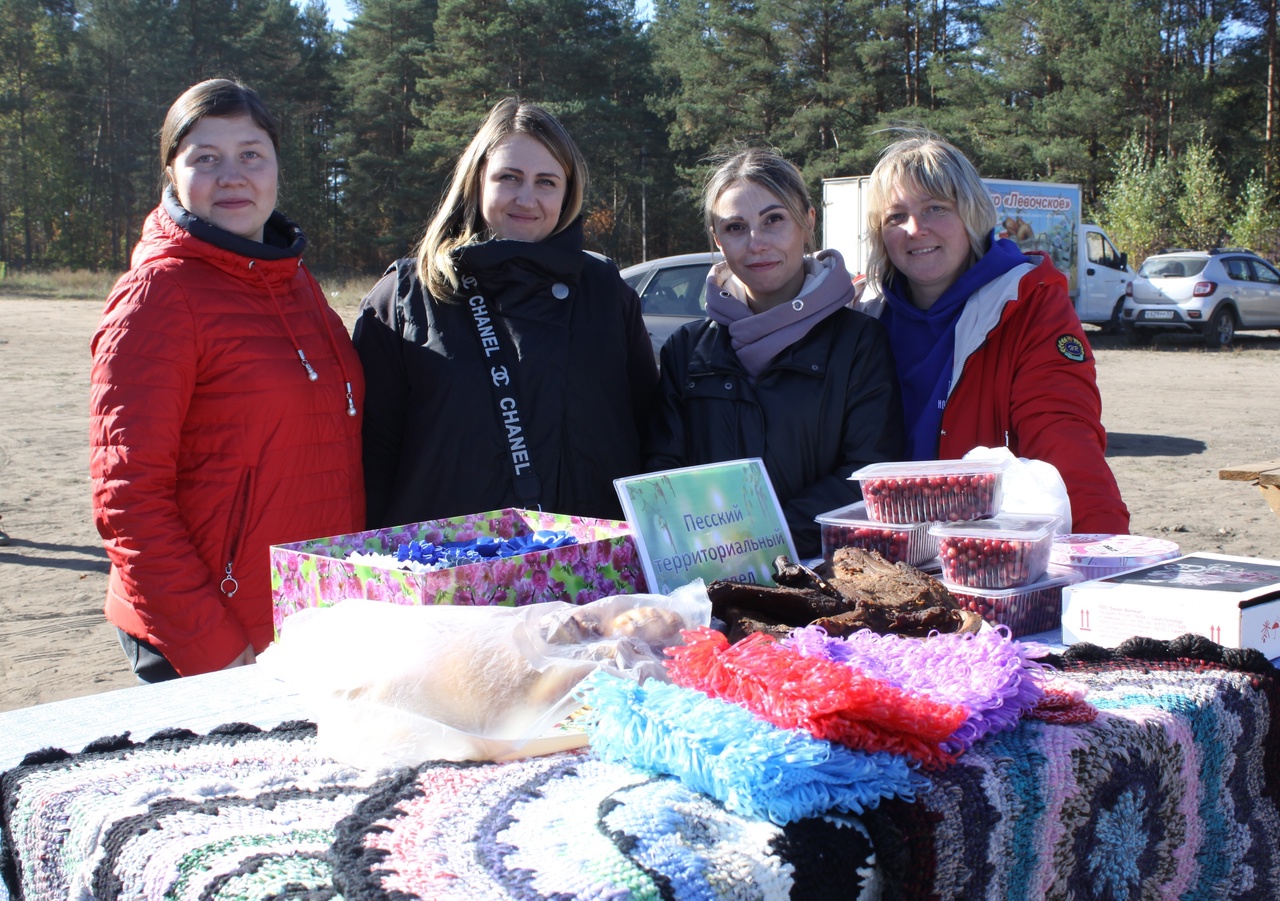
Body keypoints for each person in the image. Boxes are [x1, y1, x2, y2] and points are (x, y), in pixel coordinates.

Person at [90, 79, 365, 682]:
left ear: (276, 168)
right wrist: (214, 652)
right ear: (173, 173)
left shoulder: (293, 281)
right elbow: (129, 499)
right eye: (205, 158)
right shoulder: (158, 295)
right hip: (209, 643)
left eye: (250, 154)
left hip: (304, 626)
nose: (232, 175)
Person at [353, 97, 657, 528]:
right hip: (451, 573)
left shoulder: (606, 292)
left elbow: (649, 435)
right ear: (477, 182)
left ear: (568, 192)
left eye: (547, 182)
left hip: (590, 574)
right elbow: (371, 459)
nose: (526, 198)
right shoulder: (406, 296)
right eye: (509, 178)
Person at [859, 130, 1129, 533]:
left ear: (971, 215)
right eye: (896, 216)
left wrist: (1103, 555)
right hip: (880, 545)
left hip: (986, 551)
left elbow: (1064, 440)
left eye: (936, 208)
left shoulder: (1027, 303)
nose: (915, 228)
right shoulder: (861, 312)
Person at [646, 147, 905, 557]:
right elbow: (664, 475)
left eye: (774, 220)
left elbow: (866, 473)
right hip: (711, 575)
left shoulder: (859, 342)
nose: (756, 244)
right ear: (717, 239)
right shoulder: (686, 350)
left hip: (822, 576)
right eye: (735, 227)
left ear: (807, 221)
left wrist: (761, 539)